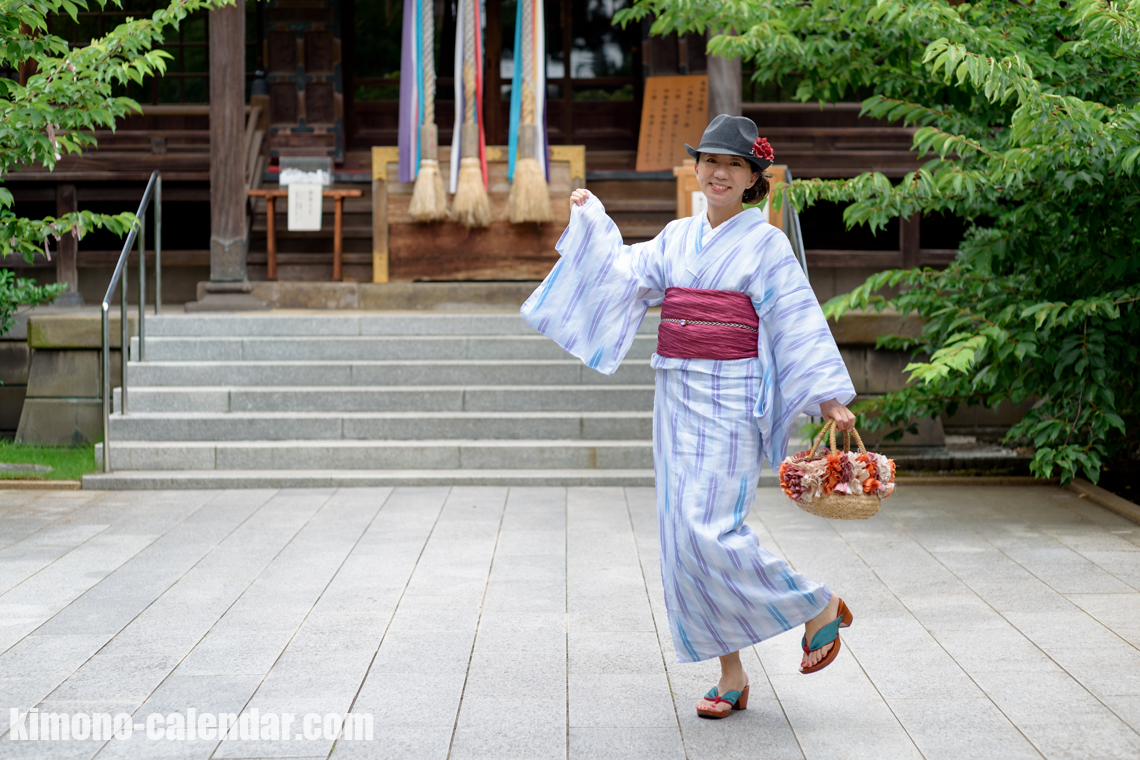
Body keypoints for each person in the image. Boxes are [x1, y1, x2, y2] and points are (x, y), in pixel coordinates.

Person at [520, 114, 858, 719]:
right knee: (680, 542)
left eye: (734, 164)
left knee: (711, 531)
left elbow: (795, 319)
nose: (719, 172)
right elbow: (622, 273)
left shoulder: (766, 244)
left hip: (730, 397)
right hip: (675, 394)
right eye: (710, 161)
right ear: (696, 169)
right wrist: (593, 221)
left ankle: (817, 604)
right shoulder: (677, 237)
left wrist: (827, 396)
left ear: (754, 177)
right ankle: (730, 674)